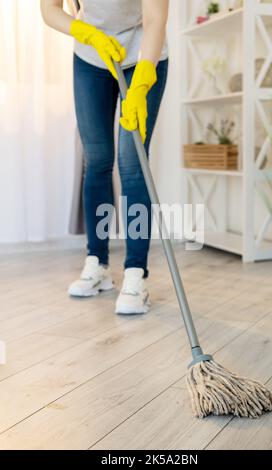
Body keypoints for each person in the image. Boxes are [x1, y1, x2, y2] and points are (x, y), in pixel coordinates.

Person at [40, 0, 169, 314]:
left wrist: (141, 83)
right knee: (96, 160)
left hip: (143, 57)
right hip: (90, 58)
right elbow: (50, 9)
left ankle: (135, 273)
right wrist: (86, 33)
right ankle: (97, 263)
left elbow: (154, 20)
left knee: (132, 162)